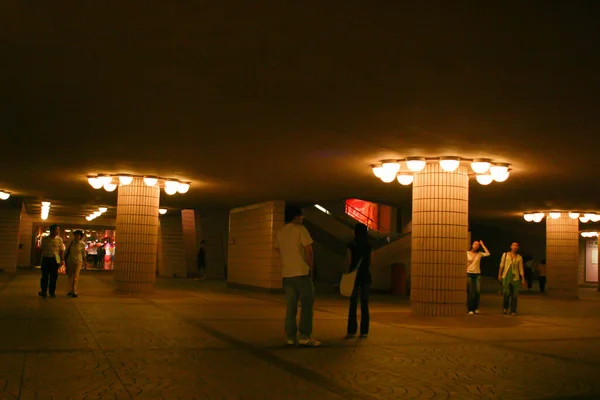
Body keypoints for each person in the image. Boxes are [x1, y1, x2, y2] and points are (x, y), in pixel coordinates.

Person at [275, 207, 320, 347]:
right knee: (306, 306)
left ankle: (290, 337)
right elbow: (309, 251)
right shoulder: (301, 229)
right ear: (298, 217)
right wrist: (311, 269)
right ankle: (305, 336)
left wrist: (289, 258)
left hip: (287, 275)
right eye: (302, 216)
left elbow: (277, 248)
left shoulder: (282, 231)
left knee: (291, 307)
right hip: (302, 273)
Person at [346, 223, 373, 338]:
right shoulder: (369, 246)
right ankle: (364, 331)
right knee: (364, 303)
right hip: (365, 276)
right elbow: (372, 262)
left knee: (352, 304)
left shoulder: (351, 245)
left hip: (353, 276)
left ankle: (351, 330)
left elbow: (348, 261)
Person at [498, 242, 525, 316]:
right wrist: (499, 274)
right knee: (506, 293)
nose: (515, 247)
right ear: (511, 246)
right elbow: (501, 265)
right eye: (514, 245)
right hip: (506, 276)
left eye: (516, 246)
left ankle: (513, 310)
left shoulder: (519, 257)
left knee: (514, 295)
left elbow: (521, 268)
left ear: (518, 248)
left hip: (515, 278)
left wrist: (522, 278)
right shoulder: (505, 254)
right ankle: (505, 307)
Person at [39, 224, 64, 298]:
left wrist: (61, 260)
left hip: (55, 259)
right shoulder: (45, 239)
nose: (57, 231)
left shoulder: (59, 239)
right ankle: (43, 291)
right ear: (51, 230)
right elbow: (41, 249)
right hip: (46, 258)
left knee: (54, 276)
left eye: (58, 230)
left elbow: (61, 251)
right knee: (44, 276)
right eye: (56, 230)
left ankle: (52, 292)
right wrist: (41, 259)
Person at [466, 240, 491, 315]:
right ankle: (470, 309)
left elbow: (488, 253)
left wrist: (483, 245)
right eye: (475, 244)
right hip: (469, 273)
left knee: (477, 291)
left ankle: (476, 308)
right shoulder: (467, 253)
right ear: (472, 245)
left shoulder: (479, 254)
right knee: (470, 292)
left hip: (477, 274)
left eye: (478, 245)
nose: (476, 245)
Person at [65, 230, 87, 297]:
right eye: (76, 235)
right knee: (70, 276)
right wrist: (63, 260)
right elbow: (66, 252)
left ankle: (74, 291)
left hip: (78, 261)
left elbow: (84, 254)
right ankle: (70, 290)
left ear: (80, 236)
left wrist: (84, 262)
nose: (77, 236)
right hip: (70, 261)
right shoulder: (70, 243)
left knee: (76, 276)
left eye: (78, 235)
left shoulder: (82, 244)